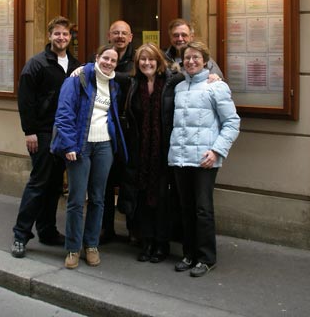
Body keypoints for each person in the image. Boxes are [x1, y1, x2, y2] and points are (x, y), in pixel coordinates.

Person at [51, 44, 128, 269]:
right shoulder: (77, 79)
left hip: (104, 146)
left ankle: (91, 245)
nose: (108, 63)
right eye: (105, 58)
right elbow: (64, 113)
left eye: (113, 61)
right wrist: (69, 145)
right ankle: (73, 249)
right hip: (80, 146)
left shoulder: (114, 85)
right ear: (97, 57)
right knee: (76, 199)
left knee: (98, 198)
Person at [10, 16, 81, 259]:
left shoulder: (74, 65)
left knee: (53, 186)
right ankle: (20, 234)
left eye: (66, 34)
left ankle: (47, 231)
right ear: (50, 36)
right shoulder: (37, 64)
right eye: (57, 34)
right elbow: (26, 100)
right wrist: (28, 131)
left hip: (64, 133)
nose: (62, 38)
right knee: (39, 183)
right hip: (41, 133)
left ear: (70, 38)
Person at [168, 41, 240, 278]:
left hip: (204, 159)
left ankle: (206, 258)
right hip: (180, 157)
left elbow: (232, 122)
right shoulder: (179, 87)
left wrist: (217, 151)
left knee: (202, 209)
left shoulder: (216, 87)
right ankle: (189, 254)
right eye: (187, 58)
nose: (190, 61)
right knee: (185, 208)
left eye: (195, 57)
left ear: (205, 61)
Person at [122, 43, 183, 263]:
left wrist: (214, 79)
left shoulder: (172, 81)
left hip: (163, 150)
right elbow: (104, 71)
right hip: (140, 150)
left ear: (159, 61)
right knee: (142, 196)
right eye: (142, 60)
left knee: (162, 197)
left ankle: (161, 243)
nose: (147, 63)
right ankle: (146, 241)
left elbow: (198, 79)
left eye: (151, 59)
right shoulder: (132, 84)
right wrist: (83, 69)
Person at [101, 20, 134, 243]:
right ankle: (106, 229)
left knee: (131, 182)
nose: (120, 36)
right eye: (116, 33)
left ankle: (134, 231)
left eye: (124, 33)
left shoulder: (140, 58)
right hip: (106, 130)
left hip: (131, 131)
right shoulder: (104, 59)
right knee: (104, 182)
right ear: (109, 36)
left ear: (130, 37)